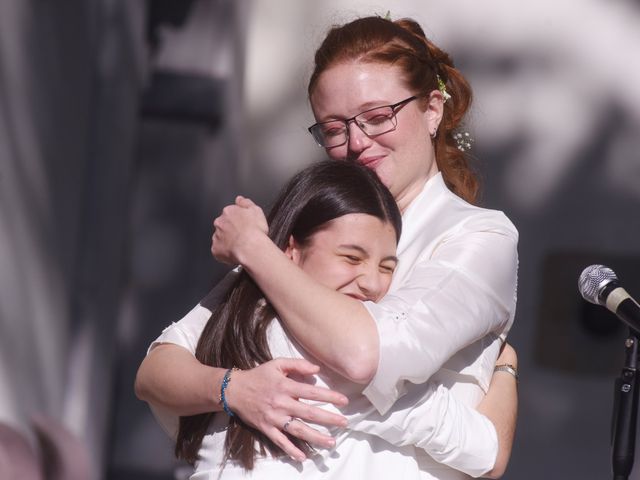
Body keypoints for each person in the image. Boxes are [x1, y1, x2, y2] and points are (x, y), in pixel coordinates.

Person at [136, 14, 519, 479]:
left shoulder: (477, 236)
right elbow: (158, 370)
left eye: (378, 117)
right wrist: (231, 388)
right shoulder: (311, 223)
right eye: (334, 129)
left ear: (432, 109)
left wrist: (254, 249)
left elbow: (365, 356)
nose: (358, 142)